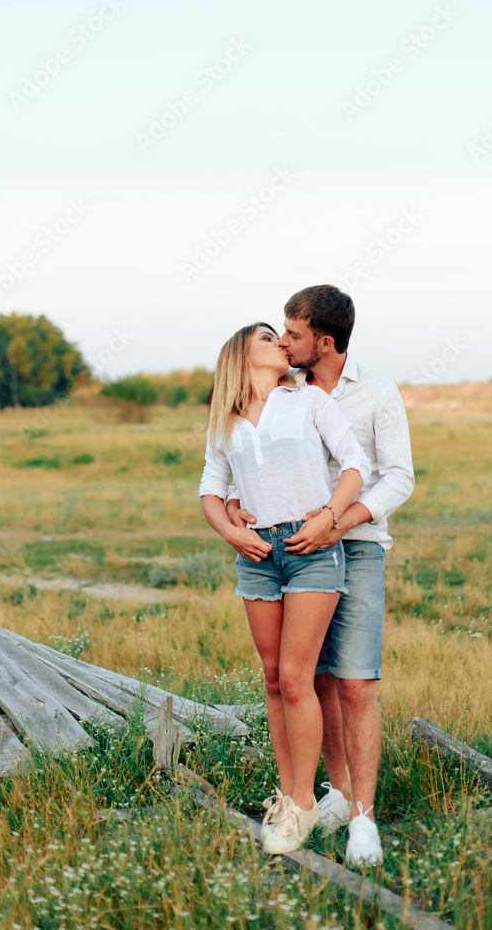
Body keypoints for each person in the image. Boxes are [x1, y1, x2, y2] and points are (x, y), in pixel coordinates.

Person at [227, 286, 414, 867]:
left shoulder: (377, 394)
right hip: (294, 552)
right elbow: (252, 466)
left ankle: (364, 817)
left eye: (294, 334)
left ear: (324, 342)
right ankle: (331, 794)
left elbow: (398, 479)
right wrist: (234, 505)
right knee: (313, 681)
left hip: (354, 547)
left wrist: (337, 519)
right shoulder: (289, 393)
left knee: (355, 682)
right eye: (279, 333)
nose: (284, 341)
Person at [198, 321, 371, 855]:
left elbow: (355, 465)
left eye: (282, 336)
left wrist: (328, 516)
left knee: (298, 679)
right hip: (255, 558)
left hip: (310, 548)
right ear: (242, 355)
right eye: (268, 337)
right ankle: (290, 795)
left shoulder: (309, 401)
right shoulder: (224, 421)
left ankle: (300, 805)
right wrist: (230, 529)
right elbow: (211, 486)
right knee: (274, 681)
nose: (281, 343)